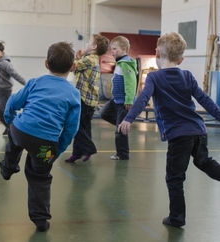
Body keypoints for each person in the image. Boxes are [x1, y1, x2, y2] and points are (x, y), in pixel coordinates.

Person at [118, 32, 220, 227]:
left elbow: (142, 98)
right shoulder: (187, 75)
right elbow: (205, 100)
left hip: (179, 136)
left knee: (174, 178)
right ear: (181, 59)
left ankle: (177, 217)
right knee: (205, 162)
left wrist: (129, 118)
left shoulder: (154, 78)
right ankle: (177, 216)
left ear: (156, 53)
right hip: (199, 131)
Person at [0, 42, 81, 232]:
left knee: (14, 140)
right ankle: (40, 220)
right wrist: (58, 149)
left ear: (46, 64)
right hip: (46, 143)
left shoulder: (36, 82)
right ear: (73, 67)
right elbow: (71, 129)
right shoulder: (73, 94)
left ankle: (8, 168)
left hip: (21, 131)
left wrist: (10, 120)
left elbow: (13, 101)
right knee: (39, 177)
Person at [65, 34, 109, 162]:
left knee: (73, 125)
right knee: (84, 126)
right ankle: (78, 153)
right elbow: (79, 70)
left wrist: (74, 57)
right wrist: (80, 57)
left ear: (94, 46)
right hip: (90, 100)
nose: (86, 44)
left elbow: (72, 66)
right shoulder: (91, 59)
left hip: (84, 99)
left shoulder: (90, 59)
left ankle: (88, 148)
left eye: (89, 42)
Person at [100, 36, 137, 160]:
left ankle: (122, 154)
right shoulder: (119, 64)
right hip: (115, 100)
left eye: (114, 49)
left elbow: (131, 83)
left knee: (119, 132)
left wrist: (129, 100)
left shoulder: (126, 64)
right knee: (103, 113)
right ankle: (121, 126)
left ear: (123, 49)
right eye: (111, 49)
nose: (112, 51)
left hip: (123, 102)